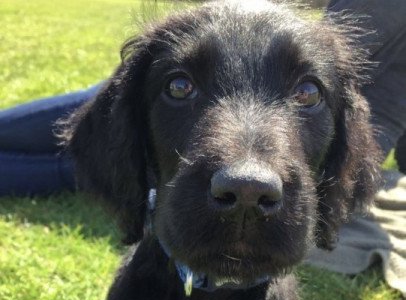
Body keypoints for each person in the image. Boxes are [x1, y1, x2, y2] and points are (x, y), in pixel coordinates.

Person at [0, 0, 405, 197]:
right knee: (81, 143)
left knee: (79, 164)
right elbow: (297, 44)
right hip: (167, 89)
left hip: (321, 131)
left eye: (306, 94)